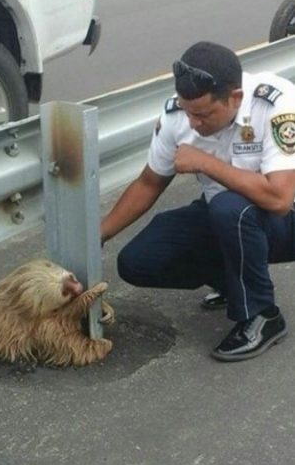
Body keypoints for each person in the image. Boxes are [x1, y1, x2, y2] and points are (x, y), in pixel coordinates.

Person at [100, 41, 295, 361]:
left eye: (204, 115)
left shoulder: (275, 104)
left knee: (230, 208)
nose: (193, 124)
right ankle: (232, 282)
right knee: (137, 261)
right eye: (188, 112)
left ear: (235, 98)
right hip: (226, 216)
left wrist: (205, 162)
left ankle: (262, 315)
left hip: (285, 220)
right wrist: (101, 233)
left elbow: (279, 199)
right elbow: (149, 183)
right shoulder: (179, 115)